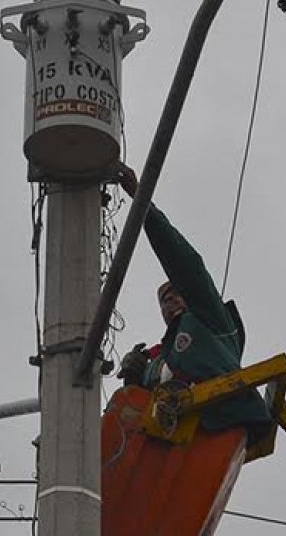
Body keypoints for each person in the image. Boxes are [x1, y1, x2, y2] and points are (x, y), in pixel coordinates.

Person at [113, 166, 272, 438]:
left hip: (223, 425)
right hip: (172, 445)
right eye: (165, 299)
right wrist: (133, 379)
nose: (171, 300)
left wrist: (142, 201)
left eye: (177, 292)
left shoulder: (212, 323)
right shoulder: (156, 362)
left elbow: (185, 264)